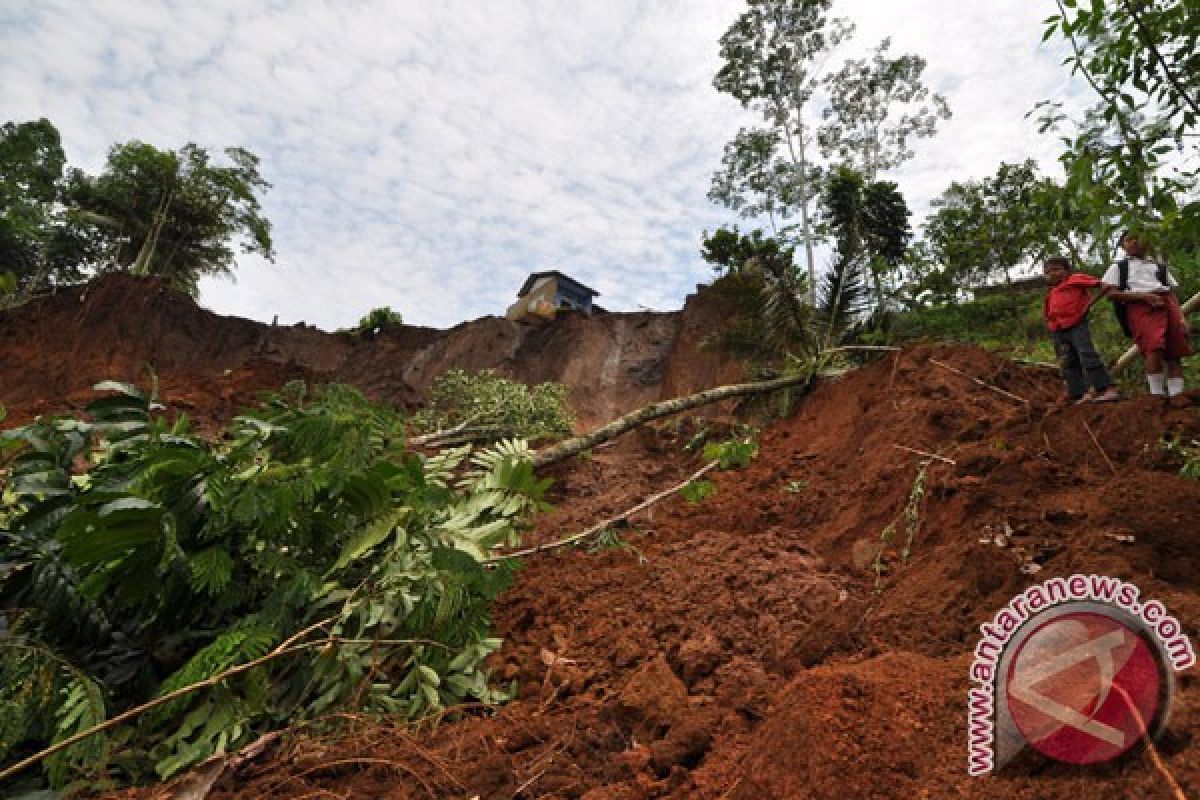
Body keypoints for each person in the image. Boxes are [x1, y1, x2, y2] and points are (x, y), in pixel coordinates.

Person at [1101, 230, 1191, 405]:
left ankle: (1176, 397)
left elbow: (1170, 293)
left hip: (1166, 304)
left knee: (1175, 351)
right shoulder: (1119, 268)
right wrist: (1144, 297)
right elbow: (1110, 293)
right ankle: (1156, 396)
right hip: (1140, 307)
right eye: (1129, 240)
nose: (1135, 242)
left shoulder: (1159, 267)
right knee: (1153, 347)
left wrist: (1181, 318)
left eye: (1138, 239)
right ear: (1122, 246)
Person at [1043, 256, 1121, 404]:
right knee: (1068, 362)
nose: (1052, 274)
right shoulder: (1051, 294)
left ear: (1067, 271)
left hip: (1076, 326)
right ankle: (1080, 395)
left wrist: (1087, 305)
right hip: (1058, 331)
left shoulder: (1075, 280)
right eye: (1048, 272)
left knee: (1087, 354)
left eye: (1056, 269)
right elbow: (1048, 314)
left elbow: (1103, 285)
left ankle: (1106, 389)